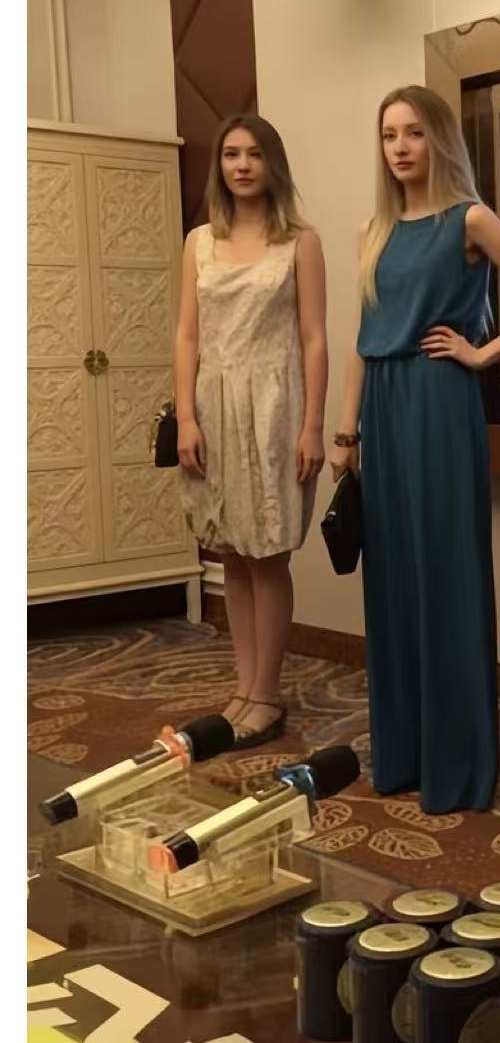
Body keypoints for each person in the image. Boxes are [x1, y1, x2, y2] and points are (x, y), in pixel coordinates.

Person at [330, 86, 500, 813]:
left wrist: (483, 354)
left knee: (446, 574)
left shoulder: (469, 219)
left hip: (441, 405)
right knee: (394, 581)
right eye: (389, 135)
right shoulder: (374, 230)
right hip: (382, 412)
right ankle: (406, 756)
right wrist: (346, 432)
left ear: (439, 138)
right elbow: (363, 338)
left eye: (414, 132)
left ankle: (458, 764)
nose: (400, 147)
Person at [175, 115, 327, 749]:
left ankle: (267, 694)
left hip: (274, 410)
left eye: (255, 154)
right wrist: (186, 416)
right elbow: (187, 336)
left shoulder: (300, 241)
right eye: (232, 154)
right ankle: (243, 687)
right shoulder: (199, 242)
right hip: (213, 408)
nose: (242, 165)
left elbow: (314, 339)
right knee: (232, 554)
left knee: (268, 554)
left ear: (273, 164)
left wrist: (313, 425)